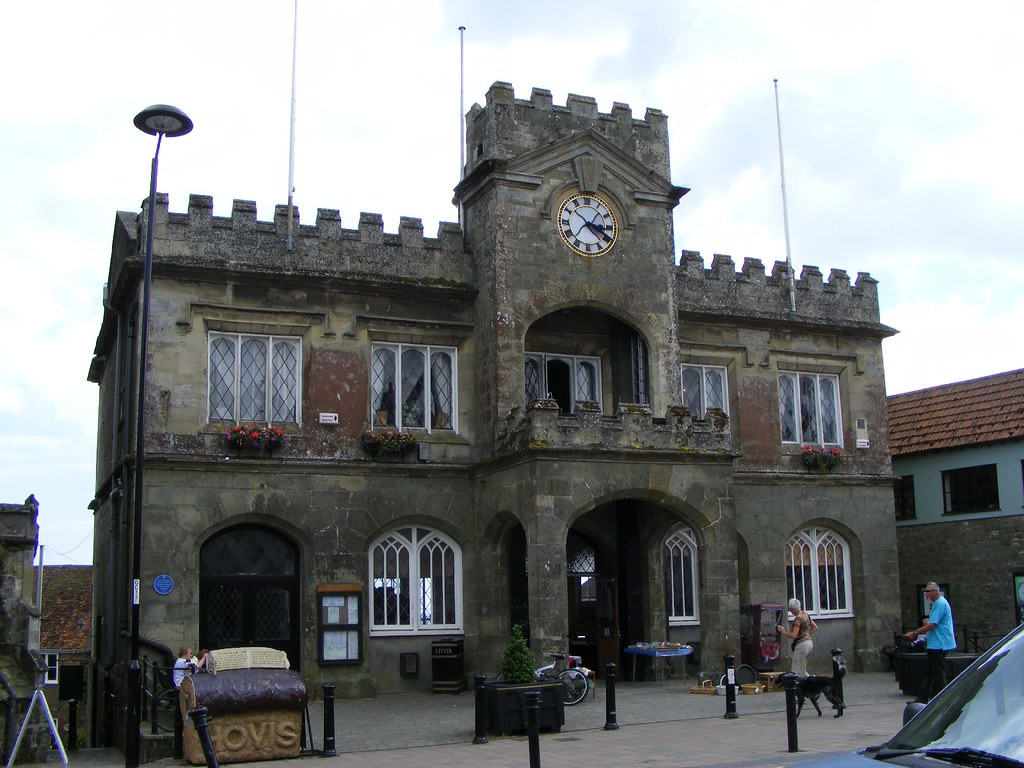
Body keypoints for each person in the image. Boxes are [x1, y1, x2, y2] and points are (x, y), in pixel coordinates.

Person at [904, 582, 955, 702]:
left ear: (935, 592)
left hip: (940, 643)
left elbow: (933, 625)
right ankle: (923, 698)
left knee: (938, 672)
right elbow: (933, 623)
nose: (925, 594)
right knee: (930, 671)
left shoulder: (940, 603)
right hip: (934, 643)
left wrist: (915, 633)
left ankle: (944, 698)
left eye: (927, 591)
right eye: (925, 591)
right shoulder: (936, 604)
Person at [777, 598, 817, 677]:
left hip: (801, 645)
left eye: (791, 609)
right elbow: (815, 627)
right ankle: (812, 684)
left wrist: (783, 632)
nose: (790, 611)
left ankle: (798, 686)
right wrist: (807, 635)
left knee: (796, 670)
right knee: (802, 670)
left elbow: (793, 635)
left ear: (793, 609)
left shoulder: (798, 618)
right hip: (809, 643)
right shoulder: (805, 614)